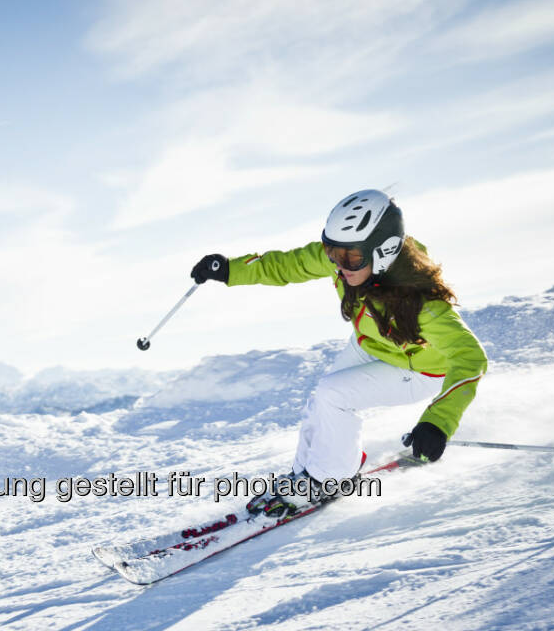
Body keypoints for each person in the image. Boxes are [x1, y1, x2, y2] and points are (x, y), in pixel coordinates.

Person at [190, 188, 487, 515]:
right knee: (322, 400)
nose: (339, 265)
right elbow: (289, 265)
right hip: (372, 346)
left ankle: (328, 479)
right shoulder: (348, 259)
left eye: (350, 258)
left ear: (384, 252)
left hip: (421, 370)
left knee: (335, 395)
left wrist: (438, 422)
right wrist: (231, 269)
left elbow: (470, 358)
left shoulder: (423, 303)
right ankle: (308, 473)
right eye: (333, 252)